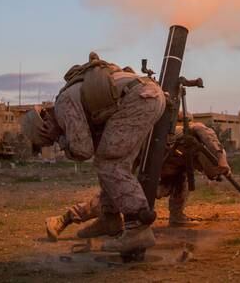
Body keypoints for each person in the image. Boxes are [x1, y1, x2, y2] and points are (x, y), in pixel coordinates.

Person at [31, 53, 165, 254]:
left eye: (48, 138)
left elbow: (83, 150)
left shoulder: (63, 105)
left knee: (109, 163)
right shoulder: (73, 95)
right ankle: (110, 218)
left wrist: (60, 138)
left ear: (44, 126)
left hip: (137, 99)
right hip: (147, 95)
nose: (53, 140)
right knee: (112, 159)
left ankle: (137, 229)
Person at [45, 122, 230, 241]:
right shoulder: (177, 137)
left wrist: (221, 165)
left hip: (165, 178)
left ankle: (177, 216)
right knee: (118, 196)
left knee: (182, 178)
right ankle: (65, 218)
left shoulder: (198, 148)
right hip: (146, 174)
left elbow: (215, 154)